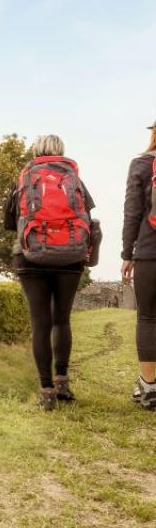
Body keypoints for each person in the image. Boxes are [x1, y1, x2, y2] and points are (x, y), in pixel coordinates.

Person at [4, 135, 97, 411]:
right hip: (70, 257)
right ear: (61, 152)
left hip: (31, 257)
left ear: (36, 151)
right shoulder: (74, 179)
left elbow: (9, 222)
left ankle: (46, 392)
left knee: (40, 323)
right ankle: (63, 383)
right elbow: (87, 218)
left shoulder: (24, 178)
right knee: (62, 321)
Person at [121, 123, 156, 411]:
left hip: (150, 254)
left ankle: (149, 387)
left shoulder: (142, 165)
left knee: (148, 318)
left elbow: (132, 213)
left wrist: (127, 254)